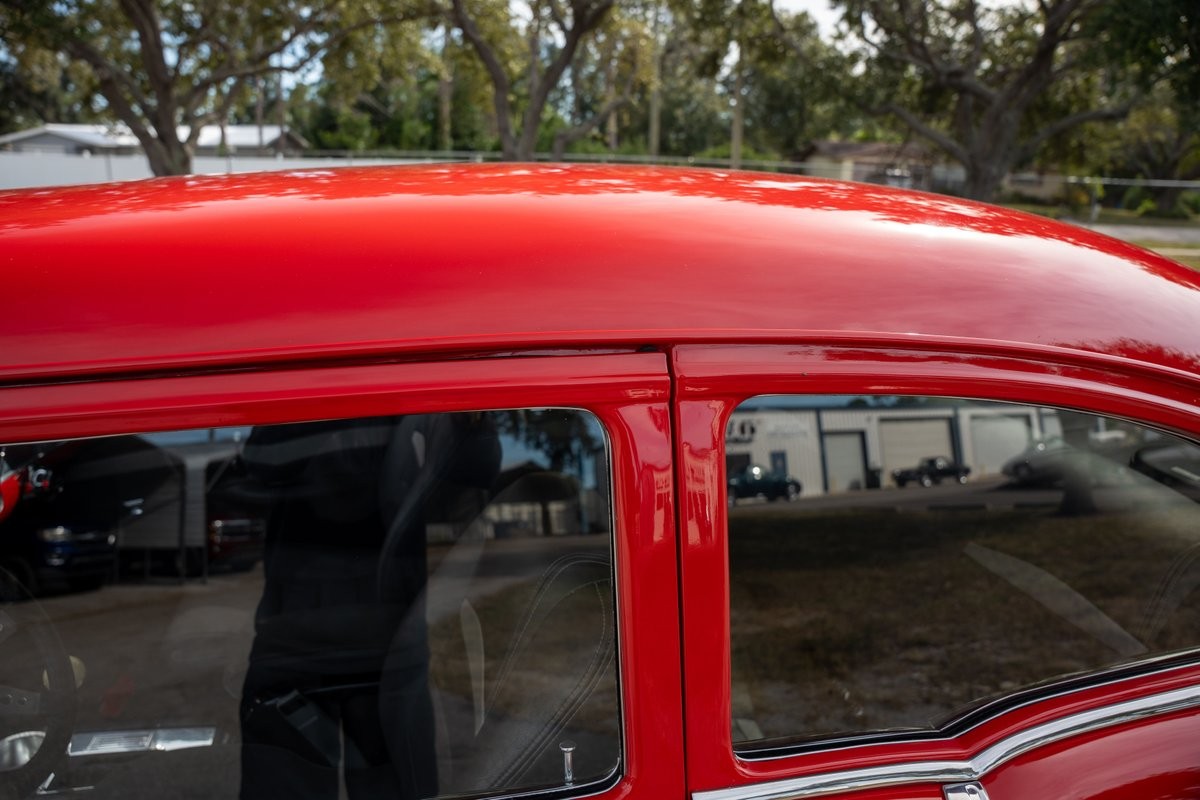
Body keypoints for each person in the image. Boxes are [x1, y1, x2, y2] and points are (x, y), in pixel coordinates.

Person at [237, 413, 500, 800]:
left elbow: (477, 465)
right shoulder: (406, 389)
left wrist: (471, 417)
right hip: (344, 639)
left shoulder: (407, 391)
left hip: (361, 640)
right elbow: (477, 466)